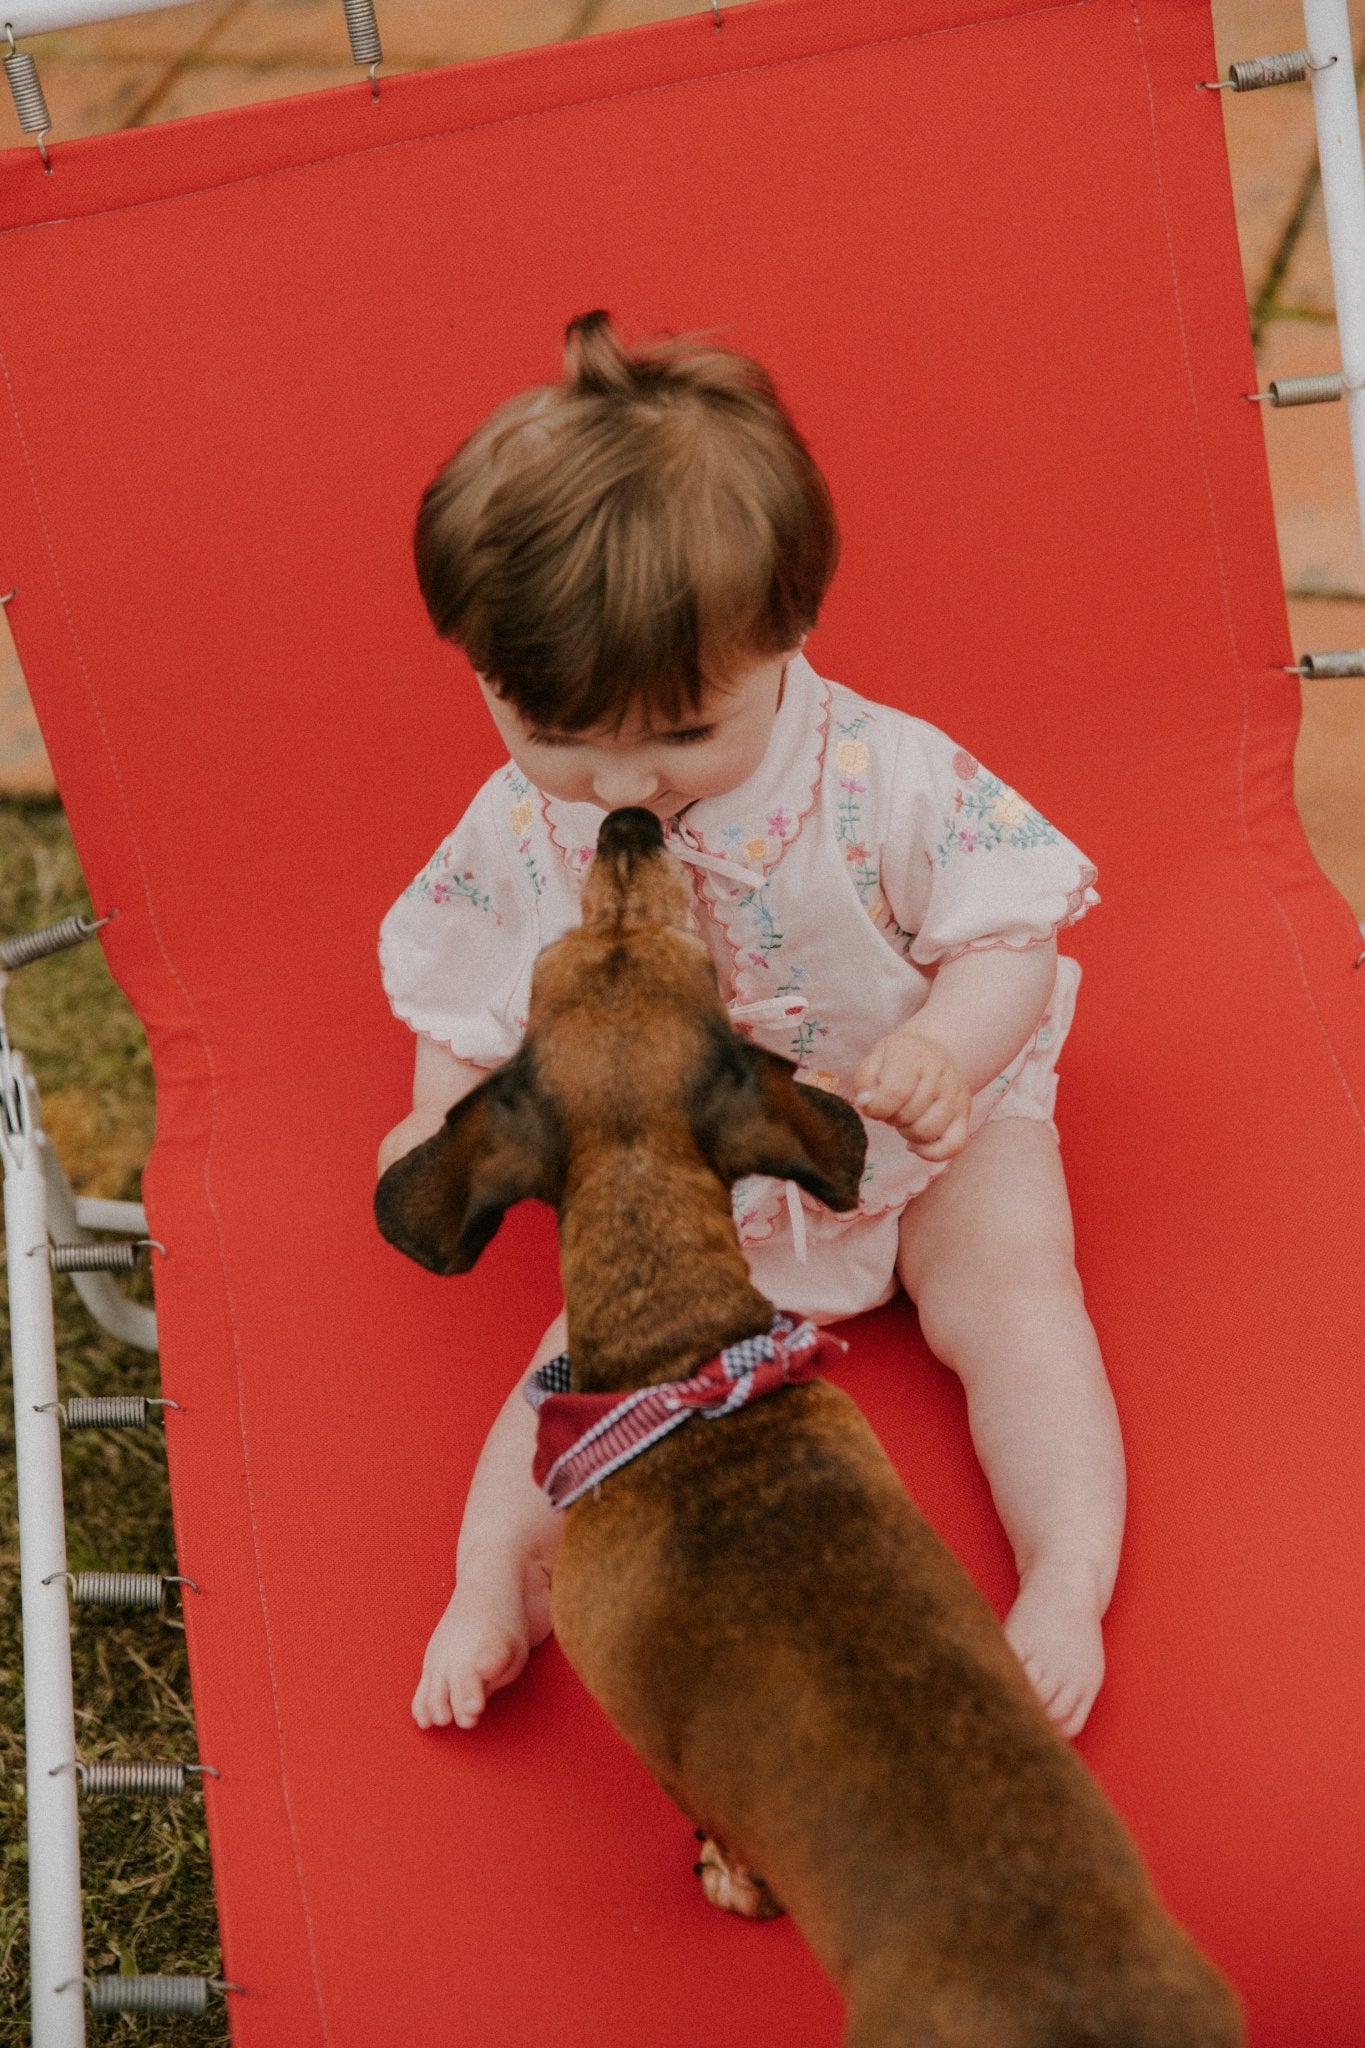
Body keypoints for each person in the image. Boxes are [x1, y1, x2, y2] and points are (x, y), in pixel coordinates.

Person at [377, 310, 1124, 1742]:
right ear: (478, 670)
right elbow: (471, 995)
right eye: (554, 736)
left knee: (1012, 1297)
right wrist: (432, 1113)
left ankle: (1062, 1575)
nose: (615, 786)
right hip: (699, 1181)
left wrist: (947, 1051)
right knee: (581, 1349)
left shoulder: (875, 773)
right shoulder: (516, 828)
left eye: (674, 738)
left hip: (934, 1136)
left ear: (786, 636)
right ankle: (497, 1578)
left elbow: (1008, 930)